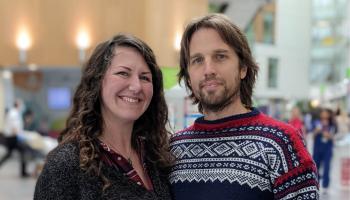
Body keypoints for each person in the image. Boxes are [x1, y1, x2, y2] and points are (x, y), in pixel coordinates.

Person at [169, 14, 319, 200]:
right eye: (197, 60)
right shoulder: (174, 149)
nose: (208, 70)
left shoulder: (281, 143)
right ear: (189, 77)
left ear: (243, 68)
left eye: (220, 56)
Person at [34, 34, 172, 199]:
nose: (136, 86)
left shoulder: (157, 158)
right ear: (97, 81)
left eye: (144, 77)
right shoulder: (66, 164)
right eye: (123, 73)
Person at [0, 99, 29, 178]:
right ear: (18, 105)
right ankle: (23, 172)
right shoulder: (14, 114)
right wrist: (21, 137)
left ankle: (23, 172)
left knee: (9, 154)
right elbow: (14, 128)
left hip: (11, 137)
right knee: (23, 150)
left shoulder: (13, 112)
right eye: (21, 104)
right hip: (12, 138)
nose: (22, 106)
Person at [312, 108, 337, 194]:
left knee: (327, 167)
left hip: (327, 148)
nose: (324, 115)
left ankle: (325, 185)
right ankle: (316, 184)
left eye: (326, 113)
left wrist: (329, 136)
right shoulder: (316, 122)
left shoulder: (332, 124)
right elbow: (313, 135)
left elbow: (334, 137)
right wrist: (317, 130)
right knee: (316, 167)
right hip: (318, 147)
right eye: (323, 113)